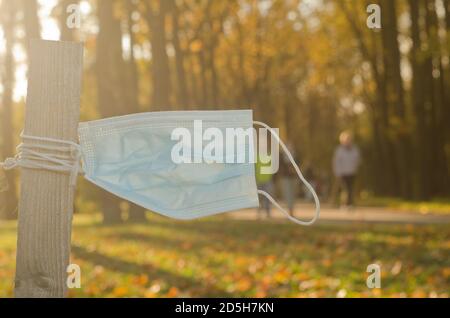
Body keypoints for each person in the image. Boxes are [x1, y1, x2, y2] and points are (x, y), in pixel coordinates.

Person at [333, 131, 360, 208]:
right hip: (342, 173)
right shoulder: (339, 150)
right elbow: (336, 162)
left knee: (351, 188)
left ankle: (350, 203)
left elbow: (357, 160)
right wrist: (338, 172)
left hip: (352, 172)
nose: (348, 141)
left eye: (349, 140)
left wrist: (355, 168)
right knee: (345, 189)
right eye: (346, 140)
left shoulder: (355, 149)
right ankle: (345, 204)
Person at [278, 143, 299, 216]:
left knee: (292, 194)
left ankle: (291, 209)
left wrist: (294, 170)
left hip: (293, 177)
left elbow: (298, 165)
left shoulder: (295, 155)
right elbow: (280, 166)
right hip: (285, 177)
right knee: (287, 193)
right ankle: (289, 209)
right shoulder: (281, 155)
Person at [256, 154, 274, 218]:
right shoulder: (257, 156)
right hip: (259, 180)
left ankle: (268, 213)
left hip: (267, 180)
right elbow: (255, 168)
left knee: (268, 197)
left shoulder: (269, 156)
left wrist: (271, 176)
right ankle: (258, 213)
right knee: (259, 198)